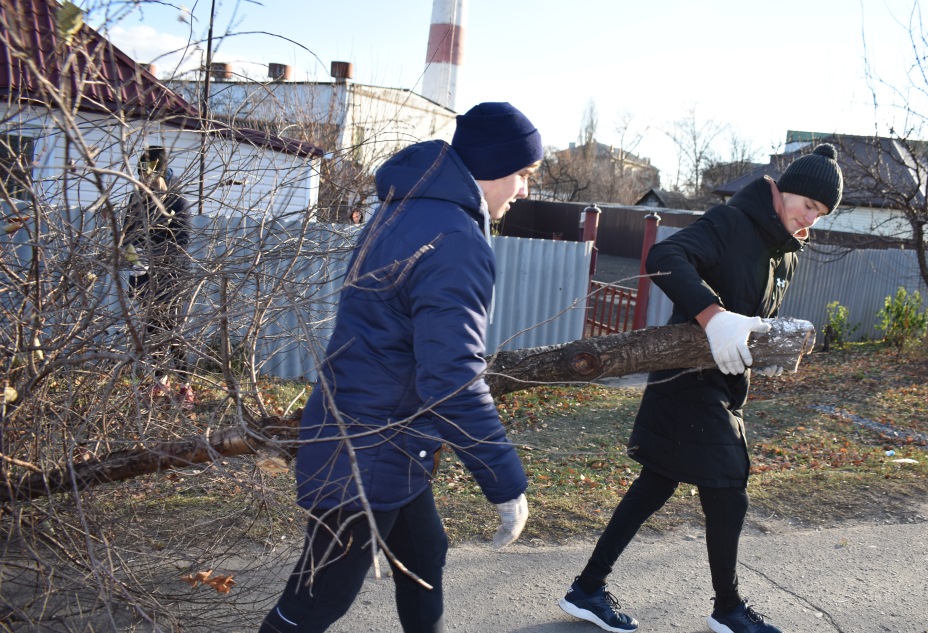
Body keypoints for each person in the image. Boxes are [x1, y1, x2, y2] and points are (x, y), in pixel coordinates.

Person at [259, 102, 544, 633]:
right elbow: (452, 377)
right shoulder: (456, 240)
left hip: (380, 436)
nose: (524, 190)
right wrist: (505, 483)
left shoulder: (407, 210)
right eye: (522, 175)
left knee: (423, 554)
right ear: (492, 167)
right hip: (369, 449)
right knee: (316, 602)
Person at [558, 144, 844, 633]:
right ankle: (728, 610)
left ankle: (587, 589)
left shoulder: (785, 254)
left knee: (656, 484)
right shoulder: (732, 223)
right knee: (728, 489)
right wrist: (712, 317)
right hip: (689, 383)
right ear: (784, 190)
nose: (810, 221)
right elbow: (665, 255)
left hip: (723, 386)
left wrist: (766, 350)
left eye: (819, 214)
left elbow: (753, 321)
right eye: (810, 206)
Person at [123, 146, 194, 409]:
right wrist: (138, 269)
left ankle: (185, 386)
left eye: (148, 175)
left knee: (172, 333)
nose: (144, 181)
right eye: (141, 175)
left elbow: (182, 241)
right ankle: (159, 381)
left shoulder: (177, 202)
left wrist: (154, 259)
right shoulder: (136, 201)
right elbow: (127, 240)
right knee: (152, 333)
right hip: (144, 279)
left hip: (171, 277)